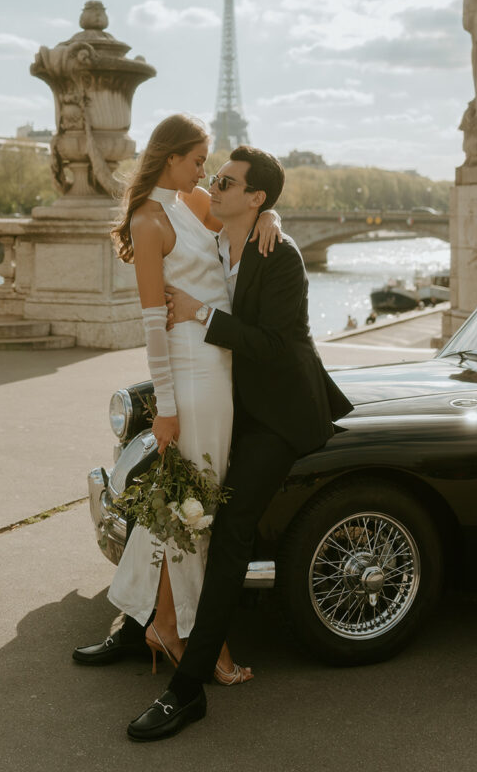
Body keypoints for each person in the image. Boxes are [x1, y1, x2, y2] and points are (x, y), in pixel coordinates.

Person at [127, 145, 353, 741]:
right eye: (215, 176)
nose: (214, 184)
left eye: (227, 181)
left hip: (278, 416)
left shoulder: (280, 256)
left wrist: (202, 315)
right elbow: (174, 200)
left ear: (254, 198)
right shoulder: (219, 233)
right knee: (182, 505)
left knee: (227, 529)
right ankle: (151, 625)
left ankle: (187, 689)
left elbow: (279, 347)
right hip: (233, 403)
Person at [72, 115, 280, 679]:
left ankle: (154, 623)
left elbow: (241, 217)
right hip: (193, 378)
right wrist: (166, 408)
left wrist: (273, 215)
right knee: (197, 509)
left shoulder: (190, 205)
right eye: (197, 160)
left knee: (185, 505)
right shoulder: (148, 221)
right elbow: (150, 326)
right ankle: (191, 636)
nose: (205, 172)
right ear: (172, 159)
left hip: (218, 367)